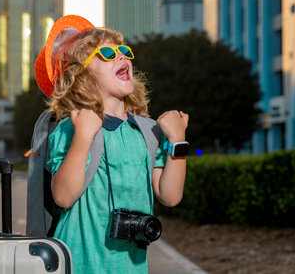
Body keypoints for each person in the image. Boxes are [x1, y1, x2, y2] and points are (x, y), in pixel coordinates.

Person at [35, 15, 189, 273]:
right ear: (81, 75)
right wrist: (84, 136)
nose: (122, 57)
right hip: (79, 264)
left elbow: (170, 196)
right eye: (107, 53)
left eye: (124, 52)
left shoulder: (148, 130)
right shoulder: (72, 127)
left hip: (131, 267)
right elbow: (62, 196)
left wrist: (178, 140)